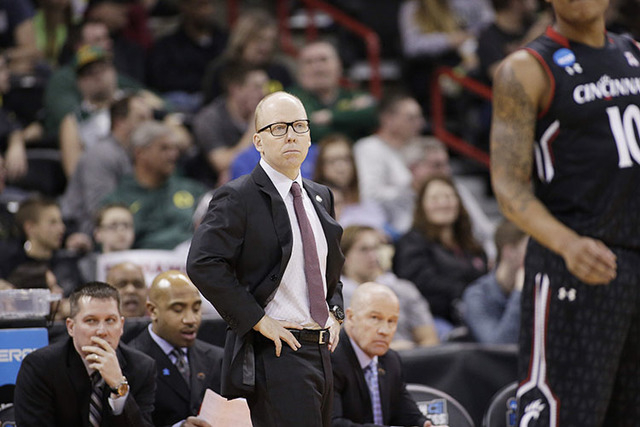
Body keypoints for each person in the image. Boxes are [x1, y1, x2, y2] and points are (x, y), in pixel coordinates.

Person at [490, 0, 640, 424]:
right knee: (560, 414)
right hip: (574, 264)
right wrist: (568, 244)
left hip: (634, 259)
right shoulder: (525, 68)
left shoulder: (633, 54)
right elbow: (508, 187)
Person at [187, 91, 345, 427]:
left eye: (299, 126)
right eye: (278, 128)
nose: (291, 135)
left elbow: (329, 268)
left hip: (321, 350)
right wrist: (257, 319)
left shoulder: (321, 195)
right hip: (275, 352)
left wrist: (336, 310)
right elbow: (203, 262)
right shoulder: (238, 196)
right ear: (258, 141)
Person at [14, 281, 157, 426]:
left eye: (110, 320)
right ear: (71, 327)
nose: (101, 331)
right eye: (91, 321)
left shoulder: (142, 368)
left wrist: (118, 386)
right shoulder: (40, 367)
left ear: (121, 326)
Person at [129, 270, 224, 427]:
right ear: (152, 311)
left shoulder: (217, 358)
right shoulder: (131, 361)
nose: (191, 319)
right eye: (178, 309)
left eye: (196, 309)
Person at [331, 282, 432, 427]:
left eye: (392, 321)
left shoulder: (391, 360)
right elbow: (333, 423)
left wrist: (425, 425)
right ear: (351, 317)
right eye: (375, 318)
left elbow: (407, 414)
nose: (384, 330)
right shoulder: (331, 358)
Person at [393, 176, 487, 327]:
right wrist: (467, 292)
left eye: (449, 197)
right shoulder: (411, 243)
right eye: (435, 199)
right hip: (436, 319)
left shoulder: (472, 244)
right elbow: (422, 285)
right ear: (422, 205)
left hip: (478, 311)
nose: (443, 204)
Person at [102, 120, 207, 250]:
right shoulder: (118, 201)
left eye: (174, 149)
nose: (173, 155)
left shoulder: (193, 190)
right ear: (140, 153)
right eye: (164, 148)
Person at [61, 93, 152, 236]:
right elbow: (100, 211)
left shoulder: (136, 154)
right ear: (120, 122)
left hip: (123, 230)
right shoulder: (101, 155)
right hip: (83, 231)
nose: (150, 126)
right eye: (141, 118)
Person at [341, 225, 439, 349]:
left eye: (376, 248)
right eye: (364, 250)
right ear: (344, 257)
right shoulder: (334, 297)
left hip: (410, 356)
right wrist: (390, 351)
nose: (373, 256)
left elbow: (429, 339)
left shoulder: (403, 289)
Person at [353, 93, 425, 236]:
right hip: (386, 230)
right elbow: (369, 195)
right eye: (411, 118)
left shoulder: (416, 149)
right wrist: (410, 189)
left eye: (419, 117)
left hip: (417, 226)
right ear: (387, 119)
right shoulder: (369, 148)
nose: (419, 123)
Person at [192, 63, 268, 186]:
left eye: (265, 86)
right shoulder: (209, 119)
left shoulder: (268, 114)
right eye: (257, 87)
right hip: (210, 186)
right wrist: (254, 127)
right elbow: (222, 163)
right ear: (236, 89)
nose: (263, 92)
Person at [145, 0, 227, 112]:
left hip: (218, 99)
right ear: (185, 7)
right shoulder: (167, 46)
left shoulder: (224, 41)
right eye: (200, 5)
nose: (207, 11)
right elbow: (162, 81)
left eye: (209, 5)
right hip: (183, 103)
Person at [289, 41, 378, 143]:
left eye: (323, 60)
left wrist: (330, 116)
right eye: (309, 62)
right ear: (299, 70)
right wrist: (351, 115)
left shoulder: (353, 94)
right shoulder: (290, 99)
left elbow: (374, 116)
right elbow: (313, 132)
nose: (317, 68)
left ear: (339, 65)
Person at [201, 8, 293, 104]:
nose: (266, 46)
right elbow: (210, 105)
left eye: (270, 41)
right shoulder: (222, 70)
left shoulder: (280, 72)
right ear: (243, 39)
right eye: (259, 39)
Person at [461, 219, 527, 344]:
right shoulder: (477, 295)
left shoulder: (539, 289)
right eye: (529, 249)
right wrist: (519, 293)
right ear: (509, 251)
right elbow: (498, 345)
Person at [313, 134, 387, 233]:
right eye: (332, 161)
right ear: (321, 167)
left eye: (346, 159)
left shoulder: (368, 203)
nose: (340, 167)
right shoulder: (313, 206)